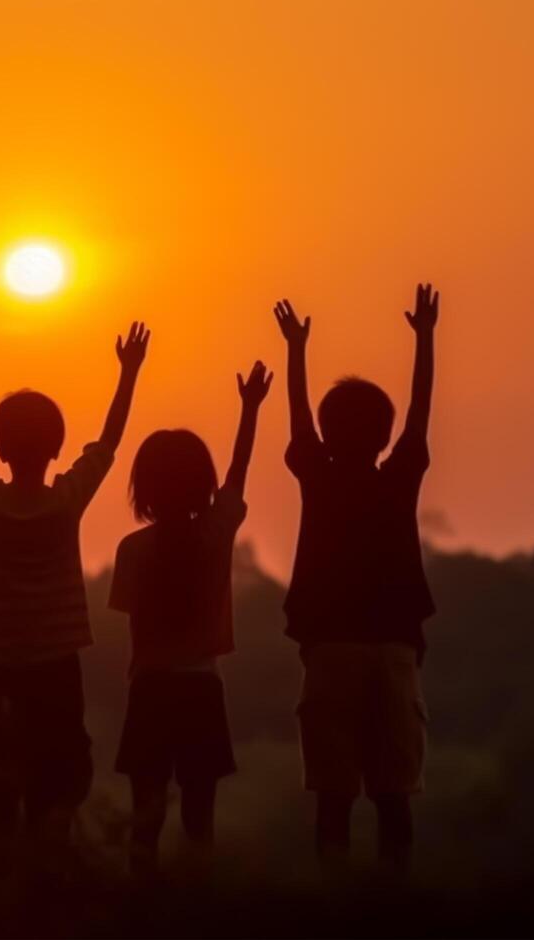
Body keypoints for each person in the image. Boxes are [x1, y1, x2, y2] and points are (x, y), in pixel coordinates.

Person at [0, 318, 149, 891]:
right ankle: (50, 880)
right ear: (56, 448)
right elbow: (109, 443)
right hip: (55, 660)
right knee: (59, 770)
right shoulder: (68, 499)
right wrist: (128, 373)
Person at [275, 284, 441, 876]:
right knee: (395, 794)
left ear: (328, 432)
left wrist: (296, 351)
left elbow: (298, 421)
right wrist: (425, 340)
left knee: (333, 795)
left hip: (331, 651)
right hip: (393, 651)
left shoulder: (319, 476)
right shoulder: (397, 477)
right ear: (383, 435)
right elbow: (419, 417)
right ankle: (392, 898)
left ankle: (335, 897)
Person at [110, 360, 273, 876]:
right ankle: (197, 907)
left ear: (145, 489)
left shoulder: (133, 549)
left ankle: (143, 908)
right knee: (200, 818)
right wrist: (249, 410)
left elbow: (132, 623)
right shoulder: (215, 535)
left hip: (150, 689)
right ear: (202, 483)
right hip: (202, 689)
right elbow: (238, 473)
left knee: (146, 814)